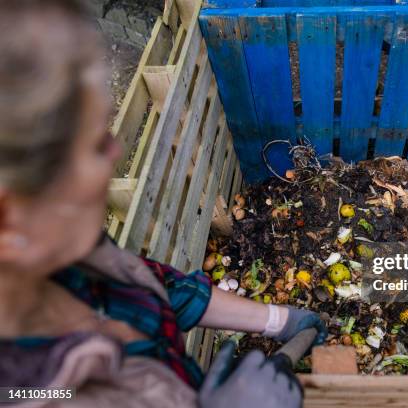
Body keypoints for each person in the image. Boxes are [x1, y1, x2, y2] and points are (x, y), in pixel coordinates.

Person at [0, 1, 326, 406]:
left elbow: (155, 287)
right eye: (96, 145)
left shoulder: (70, 257)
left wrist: (277, 321)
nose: (117, 150)